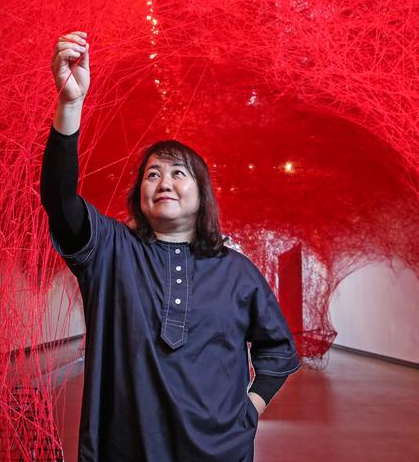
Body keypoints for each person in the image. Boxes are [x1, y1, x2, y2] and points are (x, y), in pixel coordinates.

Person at [40, 31, 301, 462]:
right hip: (125, 450)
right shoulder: (110, 252)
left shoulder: (236, 271)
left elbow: (278, 350)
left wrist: (249, 411)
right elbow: (59, 199)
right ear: (140, 194)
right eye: (152, 174)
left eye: (179, 173)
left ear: (202, 194)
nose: (164, 182)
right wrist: (70, 105)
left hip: (220, 450)